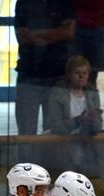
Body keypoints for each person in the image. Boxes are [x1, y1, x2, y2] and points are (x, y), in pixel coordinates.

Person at [14, 0, 74, 144]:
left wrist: (36, 34)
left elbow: (68, 32)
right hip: (29, 74)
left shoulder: (63, 3)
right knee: (26, 135)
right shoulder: (23, 2)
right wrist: (54, 34)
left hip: (56, 75)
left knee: (54, 135)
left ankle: (48, 161)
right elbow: (22, 36)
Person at [47, 55, 102, 178]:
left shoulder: (92, 93)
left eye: (85, 73)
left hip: (87, 150)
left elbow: (98, 128)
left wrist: (93, 120)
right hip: (63, 148)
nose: (81, 76)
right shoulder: (58, 94)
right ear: (69, 74)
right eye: (77, 73)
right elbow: (56, 126)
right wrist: (78, 121)